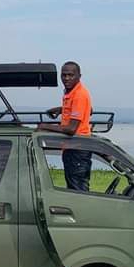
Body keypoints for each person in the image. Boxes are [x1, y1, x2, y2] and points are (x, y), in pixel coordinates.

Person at [38, 61, 93, 191]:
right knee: (73, 187)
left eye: (70, 75)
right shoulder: (72, 92)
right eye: (64, 75)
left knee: (78, 190)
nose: (66, 78)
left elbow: (70, 129)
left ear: (79, 76)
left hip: (78, 148)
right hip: (71, 147)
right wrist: (62, 109)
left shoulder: (79, 94)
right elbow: (89, 109)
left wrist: (45, 126)